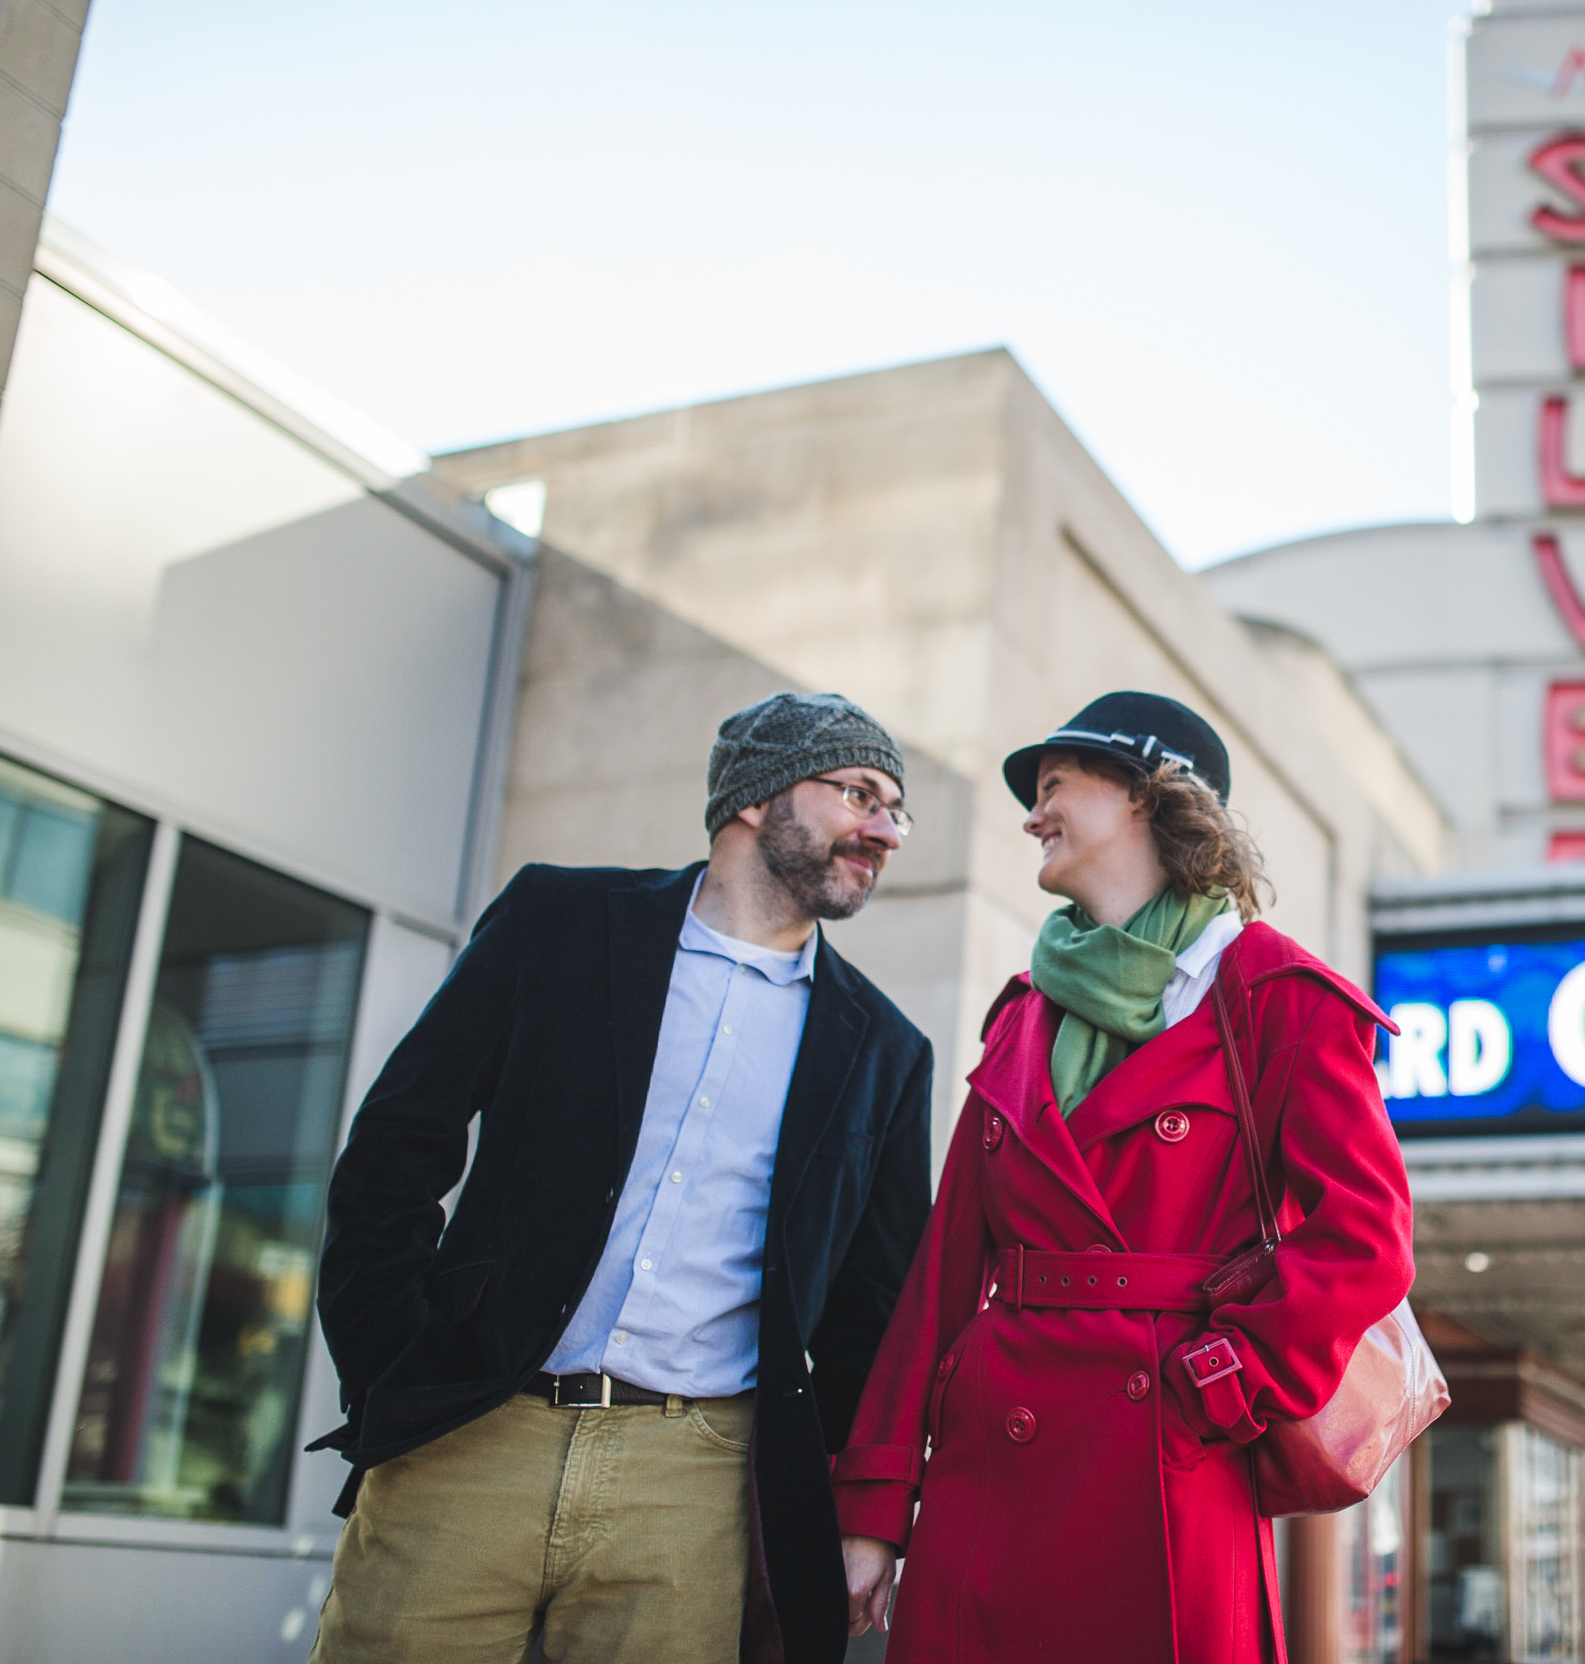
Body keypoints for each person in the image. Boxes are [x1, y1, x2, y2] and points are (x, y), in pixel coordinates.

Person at [308, 691, 935, 1664]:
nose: (885, 829)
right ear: (755, 797)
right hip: (473, 1434)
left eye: (896, 808)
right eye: (859, 791)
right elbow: (400, 1138)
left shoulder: (886, 1049)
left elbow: (875, 1307)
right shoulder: (557, 921)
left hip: (694, 1481)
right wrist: (391, 1358)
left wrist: (859, 1506)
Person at [829, 691, 1416, 1662]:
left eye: (1054, 784)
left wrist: (1222, 1384)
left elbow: (1364, 1237)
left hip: (1171, 1460)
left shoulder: (1277, 995)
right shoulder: (1023, 1014)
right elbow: (940, 1272)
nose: (1030, 813)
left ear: (1148, 796)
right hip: (989, 1480)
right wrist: (878, 1502)